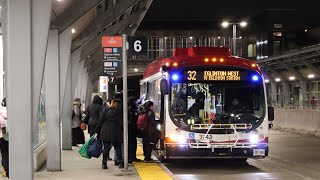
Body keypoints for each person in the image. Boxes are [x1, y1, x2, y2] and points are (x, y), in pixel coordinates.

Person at [96, 99, 124, 169]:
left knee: (106, 148)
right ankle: (120, 162)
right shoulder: (120, 112)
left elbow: (100, 121)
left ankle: (104, 163)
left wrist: (97, 130)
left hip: (106, 132)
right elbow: (121, 123)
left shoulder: (106, 111)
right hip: (116, 132)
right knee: (118, 148)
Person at [128, 97, 141, 163]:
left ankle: (131, 157)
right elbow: (133, 119)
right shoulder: (131, 111)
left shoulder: (129, 110)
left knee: (131, 143)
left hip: (130, 129)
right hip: (131, 129)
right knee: (132, 143)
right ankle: (132, 157)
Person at [0, 98, 8, 178]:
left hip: (2, 137)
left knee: (4, 154)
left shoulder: (0, 114)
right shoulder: (12, 113)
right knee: (7, 153)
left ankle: (5, 171)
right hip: (11, 137)